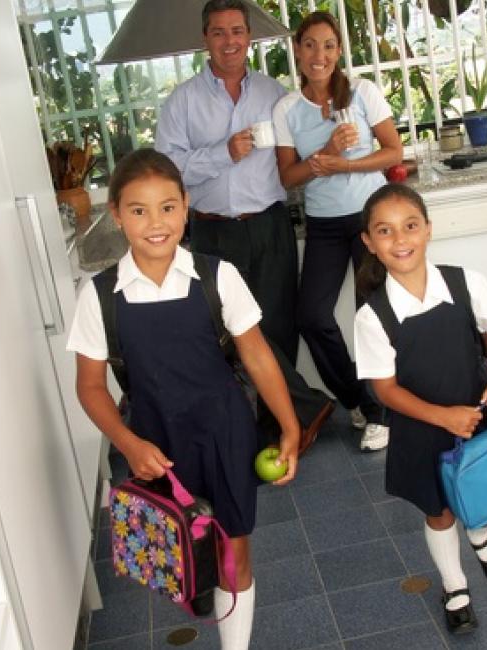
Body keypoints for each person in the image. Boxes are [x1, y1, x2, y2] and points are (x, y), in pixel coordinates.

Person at [67, 149, 300, 650]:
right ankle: (203, 589)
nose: (156, 223)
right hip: (156, 444)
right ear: (116, 214)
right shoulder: (101, 295)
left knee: (233, 547)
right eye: (138, 210)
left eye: (168, 207)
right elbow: (90, 387)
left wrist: (290, 426)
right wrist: (128, 444)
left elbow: (258, 356)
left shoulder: (218, 277)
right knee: (182, 546)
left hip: (225, 431)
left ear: (186, 205)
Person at [155, 0, 333, 454]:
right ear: (205, 39)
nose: (229, 41)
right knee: (234, 335)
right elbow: (168, 172)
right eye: (219, 32)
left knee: (277, 326)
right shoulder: (182, 102)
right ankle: (305, 410)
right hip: (212, 232)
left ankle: (281, 428)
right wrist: (222, 152)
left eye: (237, 31)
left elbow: (297, 152)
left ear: (248, 38)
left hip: (270, 223)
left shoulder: (274, 93)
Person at [353, 183, 487, 633]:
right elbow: (384, 390)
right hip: (423, 428)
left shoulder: (465, 282)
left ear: (427, 229)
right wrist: (442, 416)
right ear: (369, 241)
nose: (400, 240)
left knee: (483, 490)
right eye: (384, 231)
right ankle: (454, 583)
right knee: (439, 511)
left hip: (475, 415)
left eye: (410, 227)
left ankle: (482, 536)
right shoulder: (372, 315)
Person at [273, 11, 402, 452]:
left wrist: (344, 164)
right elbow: (287, 178)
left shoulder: (363, 92)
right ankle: (359, 400)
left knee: (374, 317)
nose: (319, 55)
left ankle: (382, 413)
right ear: (297, 49)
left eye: (328, 45)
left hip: (369, 220)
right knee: (311, 317)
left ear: (339, 50)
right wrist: (323, 155)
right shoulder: (287, 109)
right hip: (325, 226)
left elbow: (392, 152)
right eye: (309, 44)